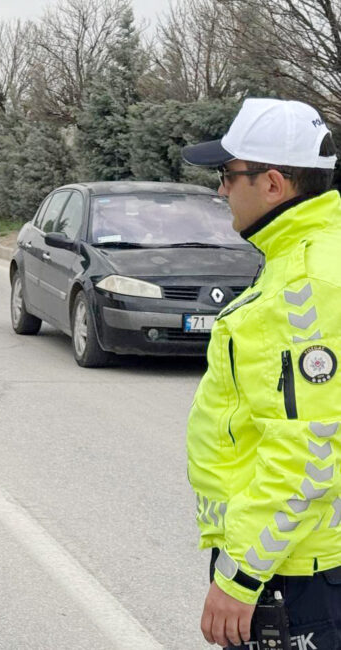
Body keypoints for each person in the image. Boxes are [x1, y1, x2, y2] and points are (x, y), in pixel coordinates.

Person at [181, 98, 341, 649]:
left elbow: (309, 452)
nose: (221, 189)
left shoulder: (306, 284)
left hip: (296, 573)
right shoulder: (305, 256)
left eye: (229, 175)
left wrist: (241, 575)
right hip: (297, 560)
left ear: (273, 183)